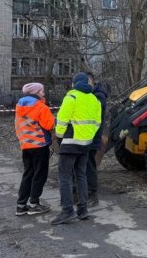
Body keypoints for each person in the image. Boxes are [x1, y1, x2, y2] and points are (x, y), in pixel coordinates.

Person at [51, 72, 101, 225]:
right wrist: (88, 137)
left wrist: (59, 137)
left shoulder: (71, 97)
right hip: (86, 144)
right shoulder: (95, 100)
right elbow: (97, 123)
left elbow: (61, 120)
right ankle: (83, 209)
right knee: (81, 175)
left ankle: (67, 211)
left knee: (64, 176)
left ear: (74, 84)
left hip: (70, 143)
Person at [15, 83, 55, 216]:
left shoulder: (19, 105)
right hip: (40, 145)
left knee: (28, 174)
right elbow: (49, 125)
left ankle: (21, 205)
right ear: (37, 92)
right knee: (40, 175)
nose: (43, 93)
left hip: (26, 145)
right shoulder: (41, 107)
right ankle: (34, 204)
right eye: (42, 91)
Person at [85, 72, 108, 208]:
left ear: (91, 82)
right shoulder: (93, 95)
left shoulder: (99, 97)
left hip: (93, 136)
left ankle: (92, 194)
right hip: (85, 136)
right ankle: (82, 193)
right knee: (84, 165)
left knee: (89, 165)